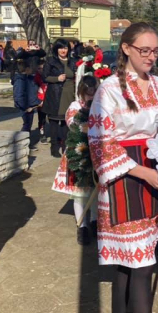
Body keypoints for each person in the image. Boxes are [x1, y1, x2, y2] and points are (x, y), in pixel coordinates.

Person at [88, 22, 158, 313]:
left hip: (155, 172)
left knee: (137, 256)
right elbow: (101, 140)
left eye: (156, 50)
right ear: (126, 48)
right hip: (123, 177)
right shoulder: (109, 89)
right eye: (144, 50)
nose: (151, 57)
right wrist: (141, 172)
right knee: (141, 263)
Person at [52, 73, 99, 244]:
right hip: (78, 153)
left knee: (95, 191)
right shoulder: (75, 106)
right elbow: (73, 124)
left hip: (95, 153)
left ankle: (94, 221)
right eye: (88, 93)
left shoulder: (100, 106)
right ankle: (82, 226)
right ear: (81, 92)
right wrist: (86, 121)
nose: (91, 96)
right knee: (80, 194)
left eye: (94, 92)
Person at [42, 39, 77, 158]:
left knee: (67, 123)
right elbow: (44, 77)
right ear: (56, 49)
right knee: (54, 123)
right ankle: (54, 147)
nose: (63, 50)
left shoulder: (73, 62)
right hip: (55, 95)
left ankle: (66, 147)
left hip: (70, 95)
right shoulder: (51, 61)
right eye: (61, 48)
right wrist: (57, 78)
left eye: (65, 48)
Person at [13, 49, 47, 150]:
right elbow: (19, 96)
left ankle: (25, 143)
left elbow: (32, 93)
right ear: (27, 69)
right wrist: (26, 107)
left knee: (28, 125)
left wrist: (36, 103)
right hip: (26, 108)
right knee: (26, 126)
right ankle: (23, 145)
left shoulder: (28, 79)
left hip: (31, 106)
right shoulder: (20, 80)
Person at [34, 63, 48, 143]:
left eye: (43, 68)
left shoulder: (48, 76)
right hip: (40, 100)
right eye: (39, 68)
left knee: (52, 118)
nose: (41, 70)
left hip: (49, 100)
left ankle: (55, 135)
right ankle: (42, 133)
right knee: (42, 118)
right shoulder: (36, 78)